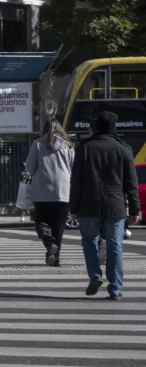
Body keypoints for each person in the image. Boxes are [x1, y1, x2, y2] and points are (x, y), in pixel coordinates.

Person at [70, 111, 140, 300]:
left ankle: (95, 275)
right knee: (115, 245)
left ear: (96, 127)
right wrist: (134, 210)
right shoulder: (123, 149)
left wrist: (73, 209)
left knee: (89, 240)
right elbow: (131, 184)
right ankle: (115, 288)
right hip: (115, 205)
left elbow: (76, 181)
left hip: (88, 204)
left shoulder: (84, 148)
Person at [25, 118, 74, 267]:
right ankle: (55, 259)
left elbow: (30, 167)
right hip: (64, 192)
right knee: (58, 227)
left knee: (40, 221)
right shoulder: (69, 146)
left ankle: (48, 241)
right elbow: (73, 168)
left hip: (42, 191)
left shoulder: (38, 144)